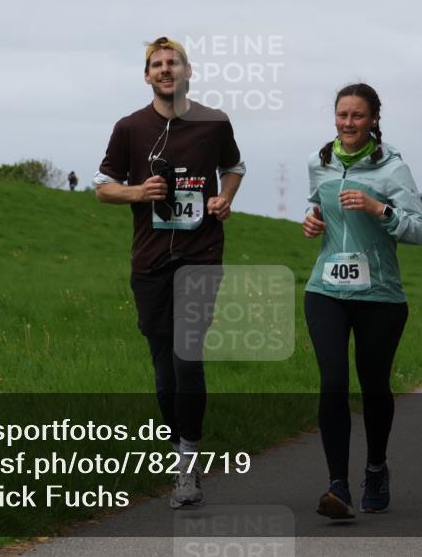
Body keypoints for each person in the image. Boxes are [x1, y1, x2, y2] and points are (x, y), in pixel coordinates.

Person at [94, 36, 244, 509]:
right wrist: (138, 193)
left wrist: (225, 198)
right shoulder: (129, 128)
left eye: (173, 63)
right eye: (156, 64)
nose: (165, 70)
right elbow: (102, 186)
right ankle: (178, 452)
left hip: (201, 257)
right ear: (146, 75)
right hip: (150, 262)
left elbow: (234, 166)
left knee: (187, 357)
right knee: (163, 372)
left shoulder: (214, 123)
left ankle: (188, 466)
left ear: (188, 71)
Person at [302, 83, 422, 519]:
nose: (348, 123)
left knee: (374, 386)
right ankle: (337, 484)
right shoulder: (320, 163)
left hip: (379, 295)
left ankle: (375, 468)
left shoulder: (393, 169)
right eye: (342, 115)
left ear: (374, 118)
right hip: (325, 289)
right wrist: (313, 220)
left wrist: (380, 210)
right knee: (333, 379)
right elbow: (317, 207)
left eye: (358, 116)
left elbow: (419, 229)